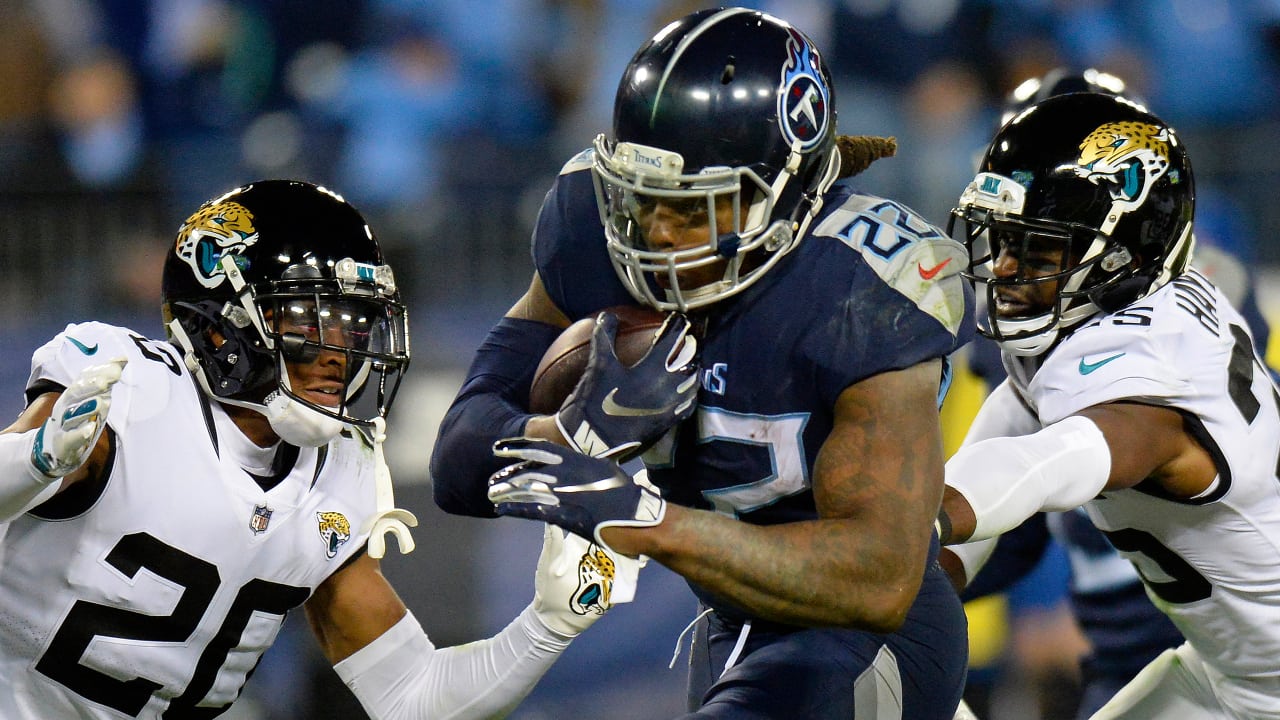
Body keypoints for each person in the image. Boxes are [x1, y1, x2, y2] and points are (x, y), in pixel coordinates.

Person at [430, 8, 974, 718]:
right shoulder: (591, 228)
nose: (655, 233)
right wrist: (569, 437)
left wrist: (645, 517)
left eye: (694, 209)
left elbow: (877, 577)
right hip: (729, 624)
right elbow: (458, 457)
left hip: (868, 638)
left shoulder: (862, 287)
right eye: (642, 201)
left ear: (785, 193)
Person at [0, 179, 636, 719]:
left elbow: (411, 696)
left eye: (356, 321)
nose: (340, 350)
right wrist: (34, 463)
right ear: (221, 322)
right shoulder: (128, 390)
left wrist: (548, 624)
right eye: (310, 320)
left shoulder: (340, 473)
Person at [936, 92, 1280, 718]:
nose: (1006, 270)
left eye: (1040, 249)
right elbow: (992, 454)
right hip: (1229, 672)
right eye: (1004, 240)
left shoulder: (1147, 366)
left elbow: (1061, 457)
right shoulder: (1106, 317)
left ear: (1129, 250)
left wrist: (915, 524)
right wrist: (914, 571)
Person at [947, 68, 1186, 720]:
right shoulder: (1026, 327)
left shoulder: (1179, 332)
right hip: (1120, 647)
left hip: (1198, 634)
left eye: (1036, 227)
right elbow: (1018, 518)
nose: (1006, 258)